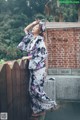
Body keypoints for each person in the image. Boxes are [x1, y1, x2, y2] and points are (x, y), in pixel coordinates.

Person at [17, 20, 57, 117]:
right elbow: (25, 29)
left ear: (39, 31)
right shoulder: (31, 37)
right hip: (33, 67)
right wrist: (34, 23)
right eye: (34, 27)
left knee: (36, 90)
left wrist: (28, 57)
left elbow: (42, 54)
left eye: (36, 28)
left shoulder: (40, 40)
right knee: (31, 90)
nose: (33, 28)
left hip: (39, 68)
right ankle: (37, 110)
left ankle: (51, 104)